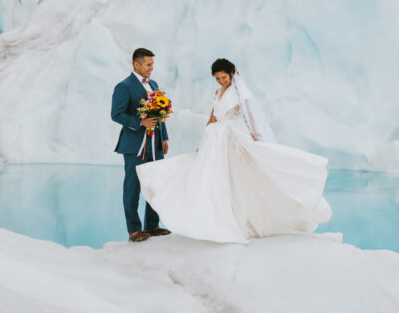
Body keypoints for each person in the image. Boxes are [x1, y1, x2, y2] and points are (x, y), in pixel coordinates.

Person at [136, 58, 331, 244]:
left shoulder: (239, 93)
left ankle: (240, 219)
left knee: (237, 177)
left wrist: (254, 136)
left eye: (224, 78)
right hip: (215, 136)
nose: (221, 81)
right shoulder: (217, 92)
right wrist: (203, 140)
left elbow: (250, 115)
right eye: (218, 78)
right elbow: (213, 116)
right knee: (211, 177)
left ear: (232, 75)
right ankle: (212, 217)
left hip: (233, 136)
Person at [110, 47, 171, 243]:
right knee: (132, 188)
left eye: (152, 64)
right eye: (148, 64)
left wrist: (164, 137)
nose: (151, 68)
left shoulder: (153, 84)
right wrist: (140, 122)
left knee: (155, 185)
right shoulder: (124, 86)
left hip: (156, 144)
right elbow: (116, 114)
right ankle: (134, 230)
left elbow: (160, 114)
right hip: (134, 145)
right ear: (136, 64)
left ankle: (152, 226)